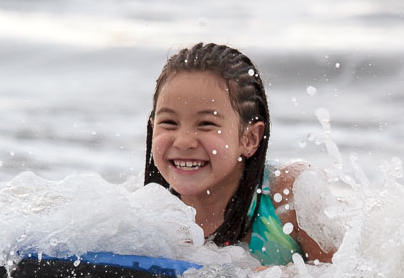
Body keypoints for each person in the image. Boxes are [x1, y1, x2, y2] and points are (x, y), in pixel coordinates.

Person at [145, 43, 338, 266]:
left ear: (250, 138)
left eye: (206, 124)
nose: (183, 141)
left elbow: (343, 276)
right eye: (169, 122)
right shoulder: (145, 216)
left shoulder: (289, 196)